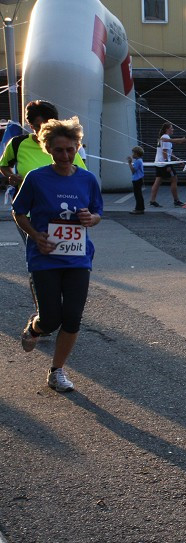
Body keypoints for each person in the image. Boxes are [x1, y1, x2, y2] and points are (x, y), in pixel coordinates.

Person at [12, 116, 103, 393]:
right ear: (48, 148)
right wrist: (36, 235)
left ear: (77, 147)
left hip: (78, 257)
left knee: (73, 317)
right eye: (59, 149)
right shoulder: (36, 178)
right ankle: (35, 329)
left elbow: (98, 213)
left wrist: (91, 218)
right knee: (50, 319)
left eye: (70, 149)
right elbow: (18, 212)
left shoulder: (87, 179)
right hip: (45, 256)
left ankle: (57, 371)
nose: (65, 155)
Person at [1, 100, 86, 316]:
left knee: (63, 259)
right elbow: (3, 165)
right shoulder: (18, 144)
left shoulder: (65, 145)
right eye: (38, 126)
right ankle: (44, 312)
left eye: (47, 124)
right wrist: (10, 176)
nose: (43, 131)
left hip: (62, 215)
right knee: (40, 256)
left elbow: (84, 177)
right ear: (30, 126)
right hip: (29, 214)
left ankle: (61, 308)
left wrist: (90, 213)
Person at [148, 122, 186, 208]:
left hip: (159, 162)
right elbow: (164, 152)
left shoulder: (163, 137)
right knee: (174, 179)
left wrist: (177, 159)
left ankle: (152, 200)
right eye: (171, 128)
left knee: (158, 181)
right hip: (164, 163)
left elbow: (169, 152)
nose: (173, 129)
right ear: (167, 129)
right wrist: (167, 164)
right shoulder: (165, 137)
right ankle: (176, 200)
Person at [127, 146, 146, 214]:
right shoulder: (138, 160)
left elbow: (133, 171)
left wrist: (129, 163)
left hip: (137, 179)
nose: (132, 155)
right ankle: (140, 208)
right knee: (138, 194)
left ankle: (139, 209)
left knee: (137, 195)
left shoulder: (138, 161)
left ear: (137, 154)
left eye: (133, 153)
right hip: (138, 179)